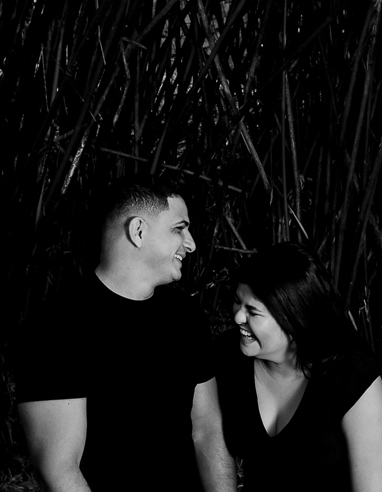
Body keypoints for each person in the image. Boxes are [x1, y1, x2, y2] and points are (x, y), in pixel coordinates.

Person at [13, 177, 236, 491]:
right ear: (138, 231)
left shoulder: (187, 316)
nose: (191, 244)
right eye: (179, 229)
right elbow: (60, 469)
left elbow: (207, 429)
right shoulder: (55, 326)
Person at [215, 242, 382, 491]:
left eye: (253, 312)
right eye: (237, 301)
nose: (237, 317)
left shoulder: (353, 379)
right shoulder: (228, 357)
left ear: (293, 317)